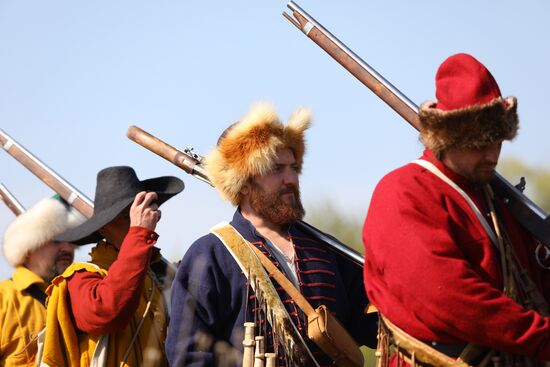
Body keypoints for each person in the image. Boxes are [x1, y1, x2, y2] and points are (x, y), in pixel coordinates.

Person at [363, 53, 550, 365]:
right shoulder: (403, 191)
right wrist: (542, 337)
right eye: (480, 142)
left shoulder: (496, 200)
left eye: (498, 141)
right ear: (450, 138)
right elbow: (450, 299)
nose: (492, 154)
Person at [166, 102, 377, 367]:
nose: (291, 179)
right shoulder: (210, 255)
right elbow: (190, 357)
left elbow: (372, 323)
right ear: (242, 183)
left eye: (293, 167)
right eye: (276, 169)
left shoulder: (325, 249)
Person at [40, 166, 184, 367]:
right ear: (104, 227)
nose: (135, 222)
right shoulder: (79, 277)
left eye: (139, 213)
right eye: (126, 216)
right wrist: (140, 234)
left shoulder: (156, 274)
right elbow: (106, 313)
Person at [0, 196, 83, 366]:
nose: (68, 248)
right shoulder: (3, 298)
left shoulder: (77, 295)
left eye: (70, 240)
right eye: (56, 240)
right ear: (28, 249)